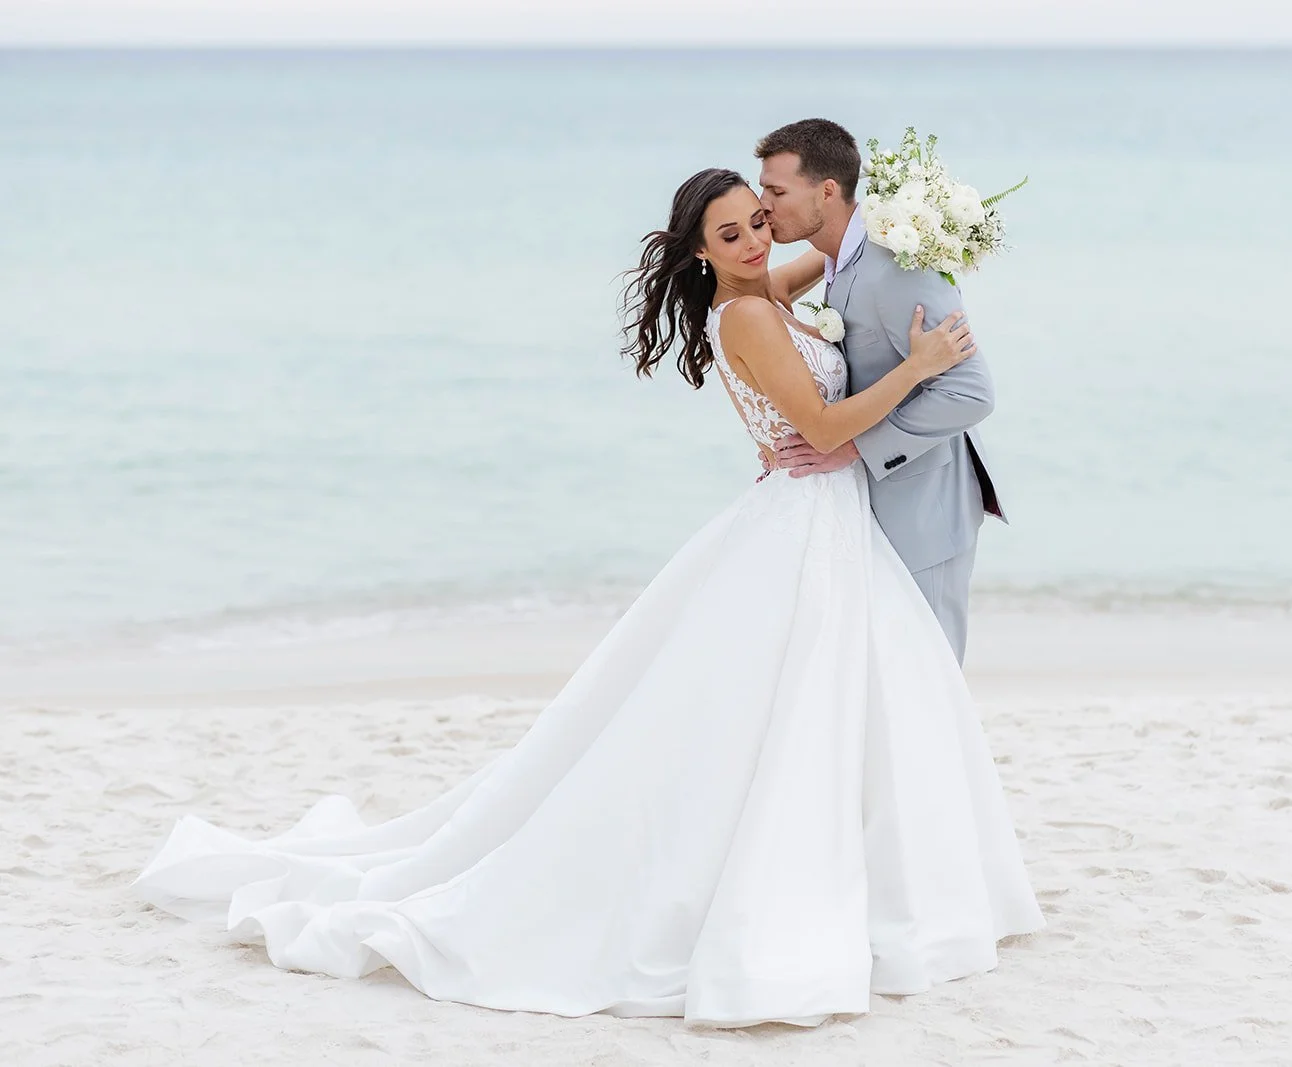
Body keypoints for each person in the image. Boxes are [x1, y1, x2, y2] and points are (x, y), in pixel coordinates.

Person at [131, 168, 1043, 1028]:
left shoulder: (768, 287)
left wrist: (923, 219)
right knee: (787, 707)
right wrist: (920, 365)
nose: (757, 237)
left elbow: (841, 257)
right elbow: (826, 427)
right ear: (700, 253)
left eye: (760, 218)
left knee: (832, 700)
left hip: (824, 524)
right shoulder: (748, 317)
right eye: (731, 232)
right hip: (807, 516)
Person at [756, 118, 1005, 663]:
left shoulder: (896, 269)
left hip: (926, 507)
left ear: (825, 191)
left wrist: (854, 447)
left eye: (775, 191)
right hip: (872, 506)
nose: (764, 205)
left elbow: (971, 392)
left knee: (929, 676)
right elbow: (758, 298)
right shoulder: (838, 255)